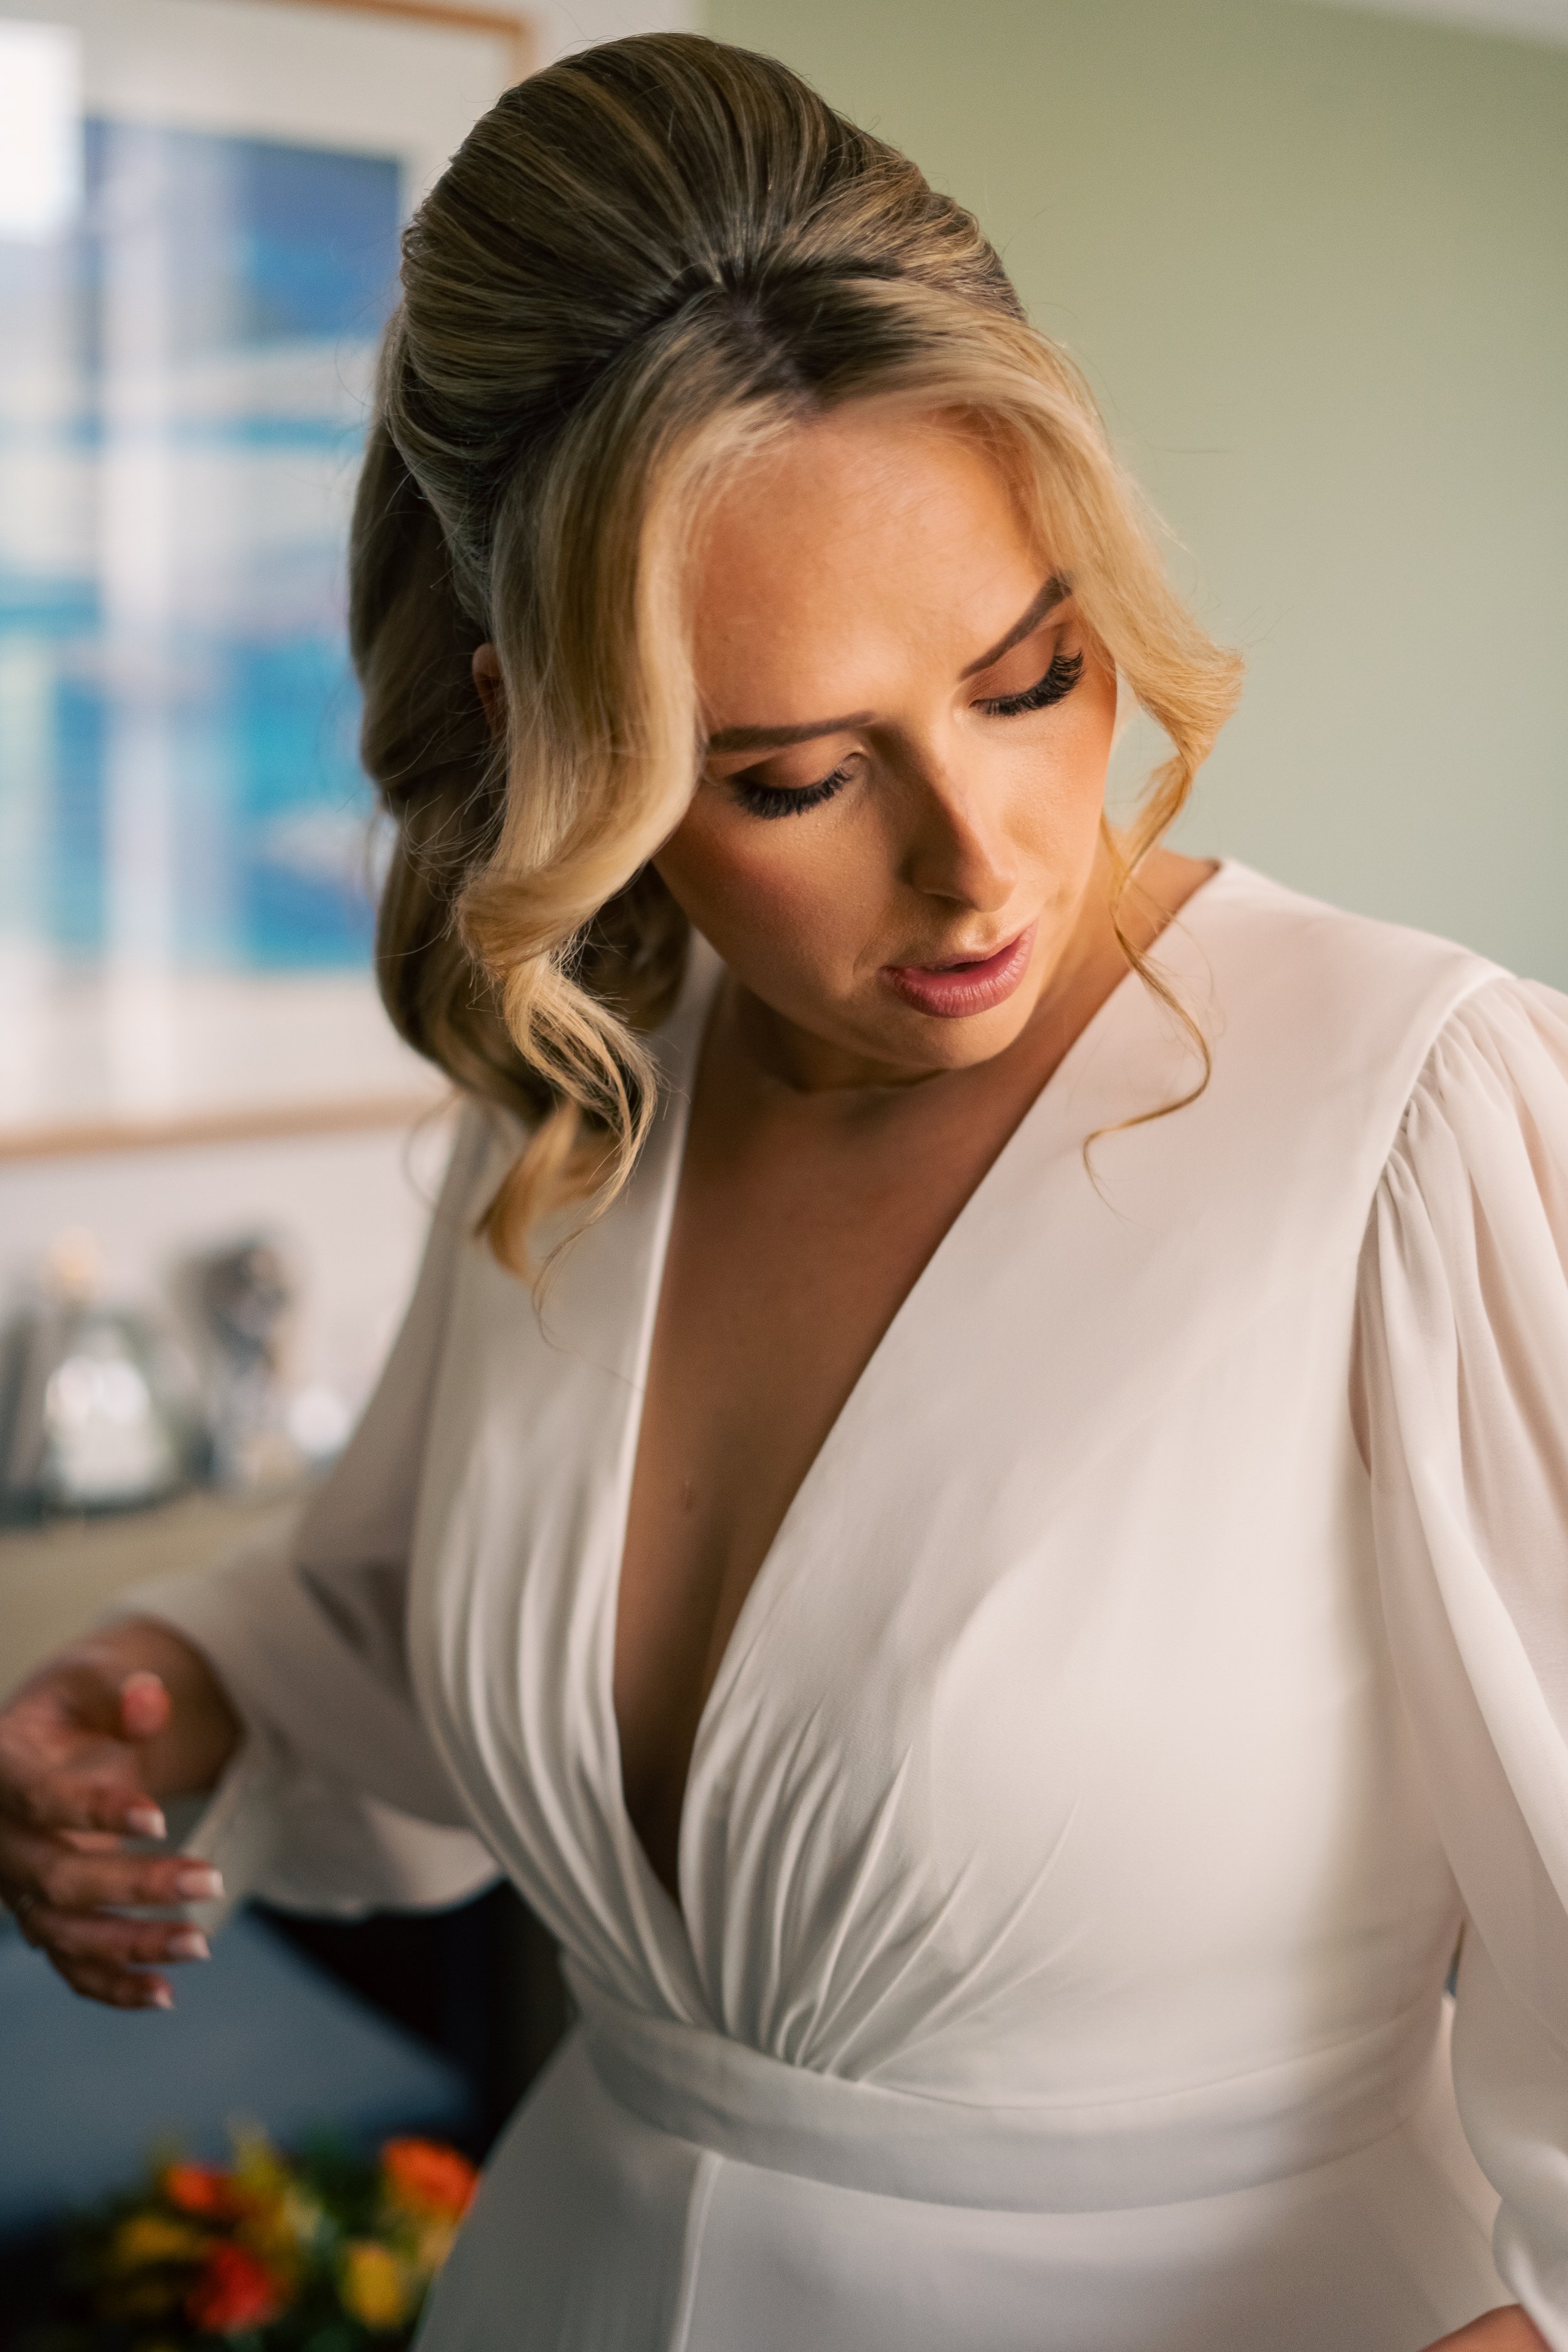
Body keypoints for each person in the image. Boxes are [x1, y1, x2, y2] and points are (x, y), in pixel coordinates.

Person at [0, 34, 1563, 2352]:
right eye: (800, 772)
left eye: (1033, 678)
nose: (981, 858)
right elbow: (409, 1646)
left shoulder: (1420, 1120)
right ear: (557, 733)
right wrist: (176, 1694)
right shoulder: (580, 1111)